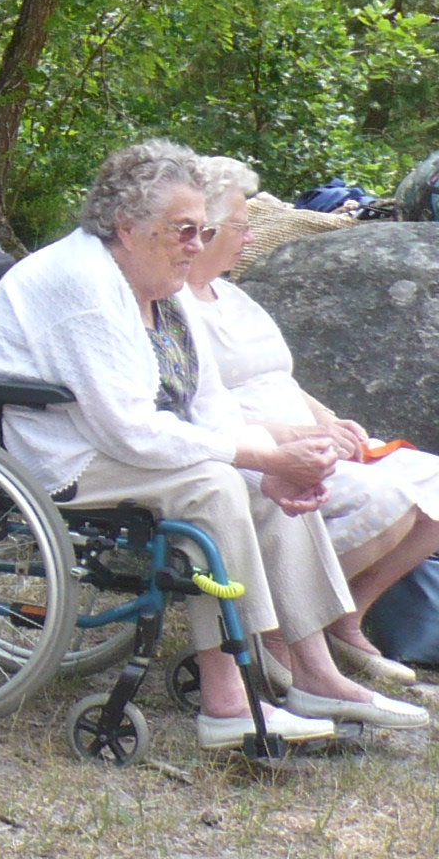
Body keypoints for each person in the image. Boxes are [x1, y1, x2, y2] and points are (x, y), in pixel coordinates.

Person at [0, 138, 423, 747]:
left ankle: (315, 673)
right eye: (183, 230)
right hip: (58, 452)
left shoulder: (165, 288)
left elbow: (209, 407)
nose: (196, 246)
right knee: (216, 484)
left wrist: (276, 467)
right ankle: (226, 697)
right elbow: (126, 430)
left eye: (203, 231)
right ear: (127, 227)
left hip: (120, 445)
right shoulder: (82, 285)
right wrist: (260, 457)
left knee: (259, 483)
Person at [186, 156, 439, 692]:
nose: (250, 235)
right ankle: (281, 627)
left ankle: (345, 618)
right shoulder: (173, 305)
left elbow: (281, 377)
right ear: (202, 229)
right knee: (387, 496)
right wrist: (298, 437)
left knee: (433, 482)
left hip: (304, 428)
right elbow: (204, 404)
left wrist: (331, 421)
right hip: (259, 443)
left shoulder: (232, 296)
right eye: (240, 224)